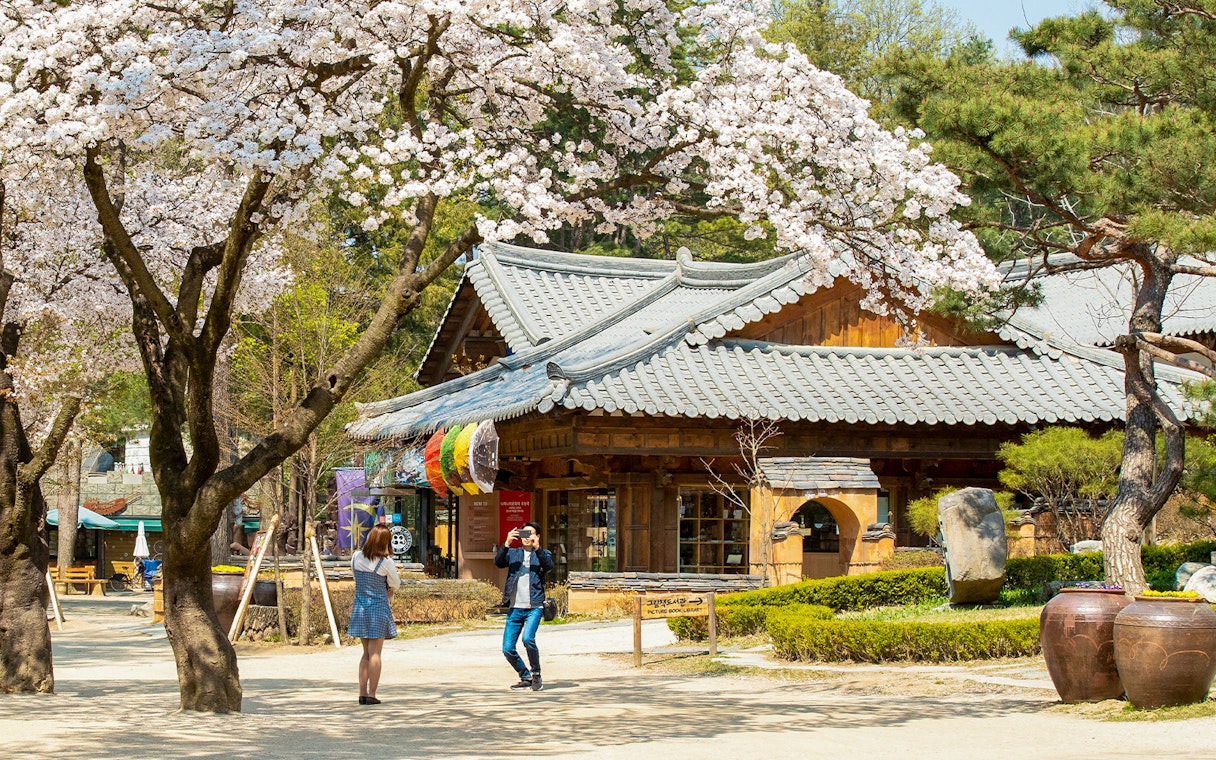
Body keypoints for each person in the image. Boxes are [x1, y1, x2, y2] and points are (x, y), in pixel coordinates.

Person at [494, 521, 554, 692]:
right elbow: (498, 562)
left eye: (531, 534)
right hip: (515, 608)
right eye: (524, 534)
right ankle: (525, 676)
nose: (527, 538)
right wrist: (506, 543)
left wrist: (538, 548)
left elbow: (549, 566)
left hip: (534, 606)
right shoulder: (513, 553)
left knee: (528, 639)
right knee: (507, 648)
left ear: (537, 536)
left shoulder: (543, 554)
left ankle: (536, 674)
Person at [347, 524, 400, 705]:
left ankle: (362, 693)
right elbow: (396, 583)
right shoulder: (385, 563)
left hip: (360, 608)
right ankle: (372, 693)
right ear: (386, 542)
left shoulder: (355, 557)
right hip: (378, 609)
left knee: (365, 654)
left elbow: (356, 578)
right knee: (376, 654)